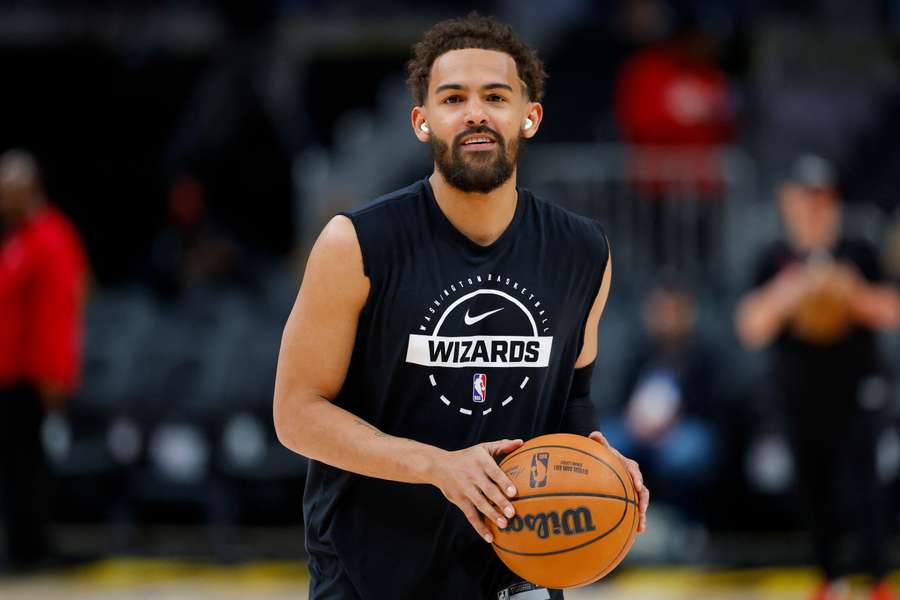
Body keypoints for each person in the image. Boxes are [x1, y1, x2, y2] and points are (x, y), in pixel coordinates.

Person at [273, 13, 649, 600]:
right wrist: (438, 466)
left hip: (517, 572)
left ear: (530, 116)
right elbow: (296, 413)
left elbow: (571, 399)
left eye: (495, 96)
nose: (476, 113)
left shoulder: (582, 251)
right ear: (421, 121)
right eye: (453, 98)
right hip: (372, 577)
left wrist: (598, 460)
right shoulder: (356, 243)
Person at [736, 155, 900, 600]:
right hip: (799, 392)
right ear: (787, 202)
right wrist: (793, 290)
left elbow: (891, 309)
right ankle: (831, 578)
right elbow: (750, 326)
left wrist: (850, 291)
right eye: (805, 197)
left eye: (822, 197)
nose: (814, 207)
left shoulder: (858, 250)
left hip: (857, 389)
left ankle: (878, 578)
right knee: (813, 487)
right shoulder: (774, 258)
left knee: (863, 485)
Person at [0, 149, 88, 571]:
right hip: (8, 374)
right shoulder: (17, 238)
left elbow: (56, 315)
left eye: (7, 190)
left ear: (29, 188)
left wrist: (53, 376)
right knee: (14, 465)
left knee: (29, 466)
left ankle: (33, 548)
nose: (2, 199)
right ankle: (19, 546)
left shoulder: (51, 237)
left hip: (32, 377)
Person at [601, 278, 720, 520]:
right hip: (637, 428)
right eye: (661, 311)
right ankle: (615, 519)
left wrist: (672, 420)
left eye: (673, 311)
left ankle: (680, 522)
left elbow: (711, 406)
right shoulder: (640, 350)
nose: (667, 319)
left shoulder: (701, 354)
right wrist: (636, 420)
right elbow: (623, 397)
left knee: (685, 452)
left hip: (682, 428)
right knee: (607, 442)